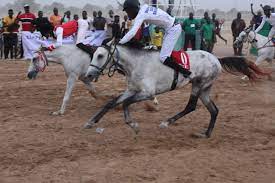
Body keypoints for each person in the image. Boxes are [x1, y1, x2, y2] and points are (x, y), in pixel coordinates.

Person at [120, 0, 191, 77]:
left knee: (163, 57)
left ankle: (185, 72)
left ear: (133, 9)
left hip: (173, 29)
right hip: (170, 27)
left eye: (128, 12)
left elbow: (132, 33)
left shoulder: (141, 14)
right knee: (162, 53)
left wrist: (120, 43)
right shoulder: (144, 8)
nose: (128, 14)